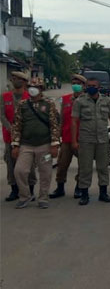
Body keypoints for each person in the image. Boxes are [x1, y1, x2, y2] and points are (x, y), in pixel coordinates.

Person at [11, 77, 60, 209]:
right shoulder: (22, 105)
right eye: (31, 87)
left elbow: (54, 125)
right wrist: (15, 145)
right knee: (20, 170)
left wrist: (55, 144)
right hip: (26, 145)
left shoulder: (49, 104)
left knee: (46, 172)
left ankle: (43, 197)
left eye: (36, 87)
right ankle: (25, 196)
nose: (33, 89)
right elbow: (17, 125)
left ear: (41, 89)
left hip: (45, 145)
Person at [71, 78, 110, 205]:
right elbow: (74, 122)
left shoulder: (106, 101)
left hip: (103, 139)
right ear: (86, 87)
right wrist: (74, 141)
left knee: (103, 167)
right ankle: (84, 194)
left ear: (99, 87)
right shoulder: (80, 101)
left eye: (94, 85)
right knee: (85, 168)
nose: (91, 87)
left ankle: (103, 193)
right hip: (86, 139)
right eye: (89, 85)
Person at [1, 71, 37, 201]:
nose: (14, 80)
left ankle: (30, 190)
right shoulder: (4, 96)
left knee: (30, 165)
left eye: (17, 79)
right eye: (13, 78)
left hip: (27, 137)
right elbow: (2, 115)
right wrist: (11, 129)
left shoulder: (30, 96)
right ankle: (14, 190)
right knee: (11, 164)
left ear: (24, 82)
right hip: (9, 136)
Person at [50, 73, 86, 199]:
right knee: (62, 164)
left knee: (83, 165)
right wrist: (57, 137)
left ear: (84, 86)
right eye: (74, 83)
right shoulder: (65, 99)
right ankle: (60, 188)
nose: (76, 85)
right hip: (66, 138)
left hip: (82, 138)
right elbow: (61, 119)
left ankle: (79, 188)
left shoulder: (87, 100)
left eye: (79, 83)